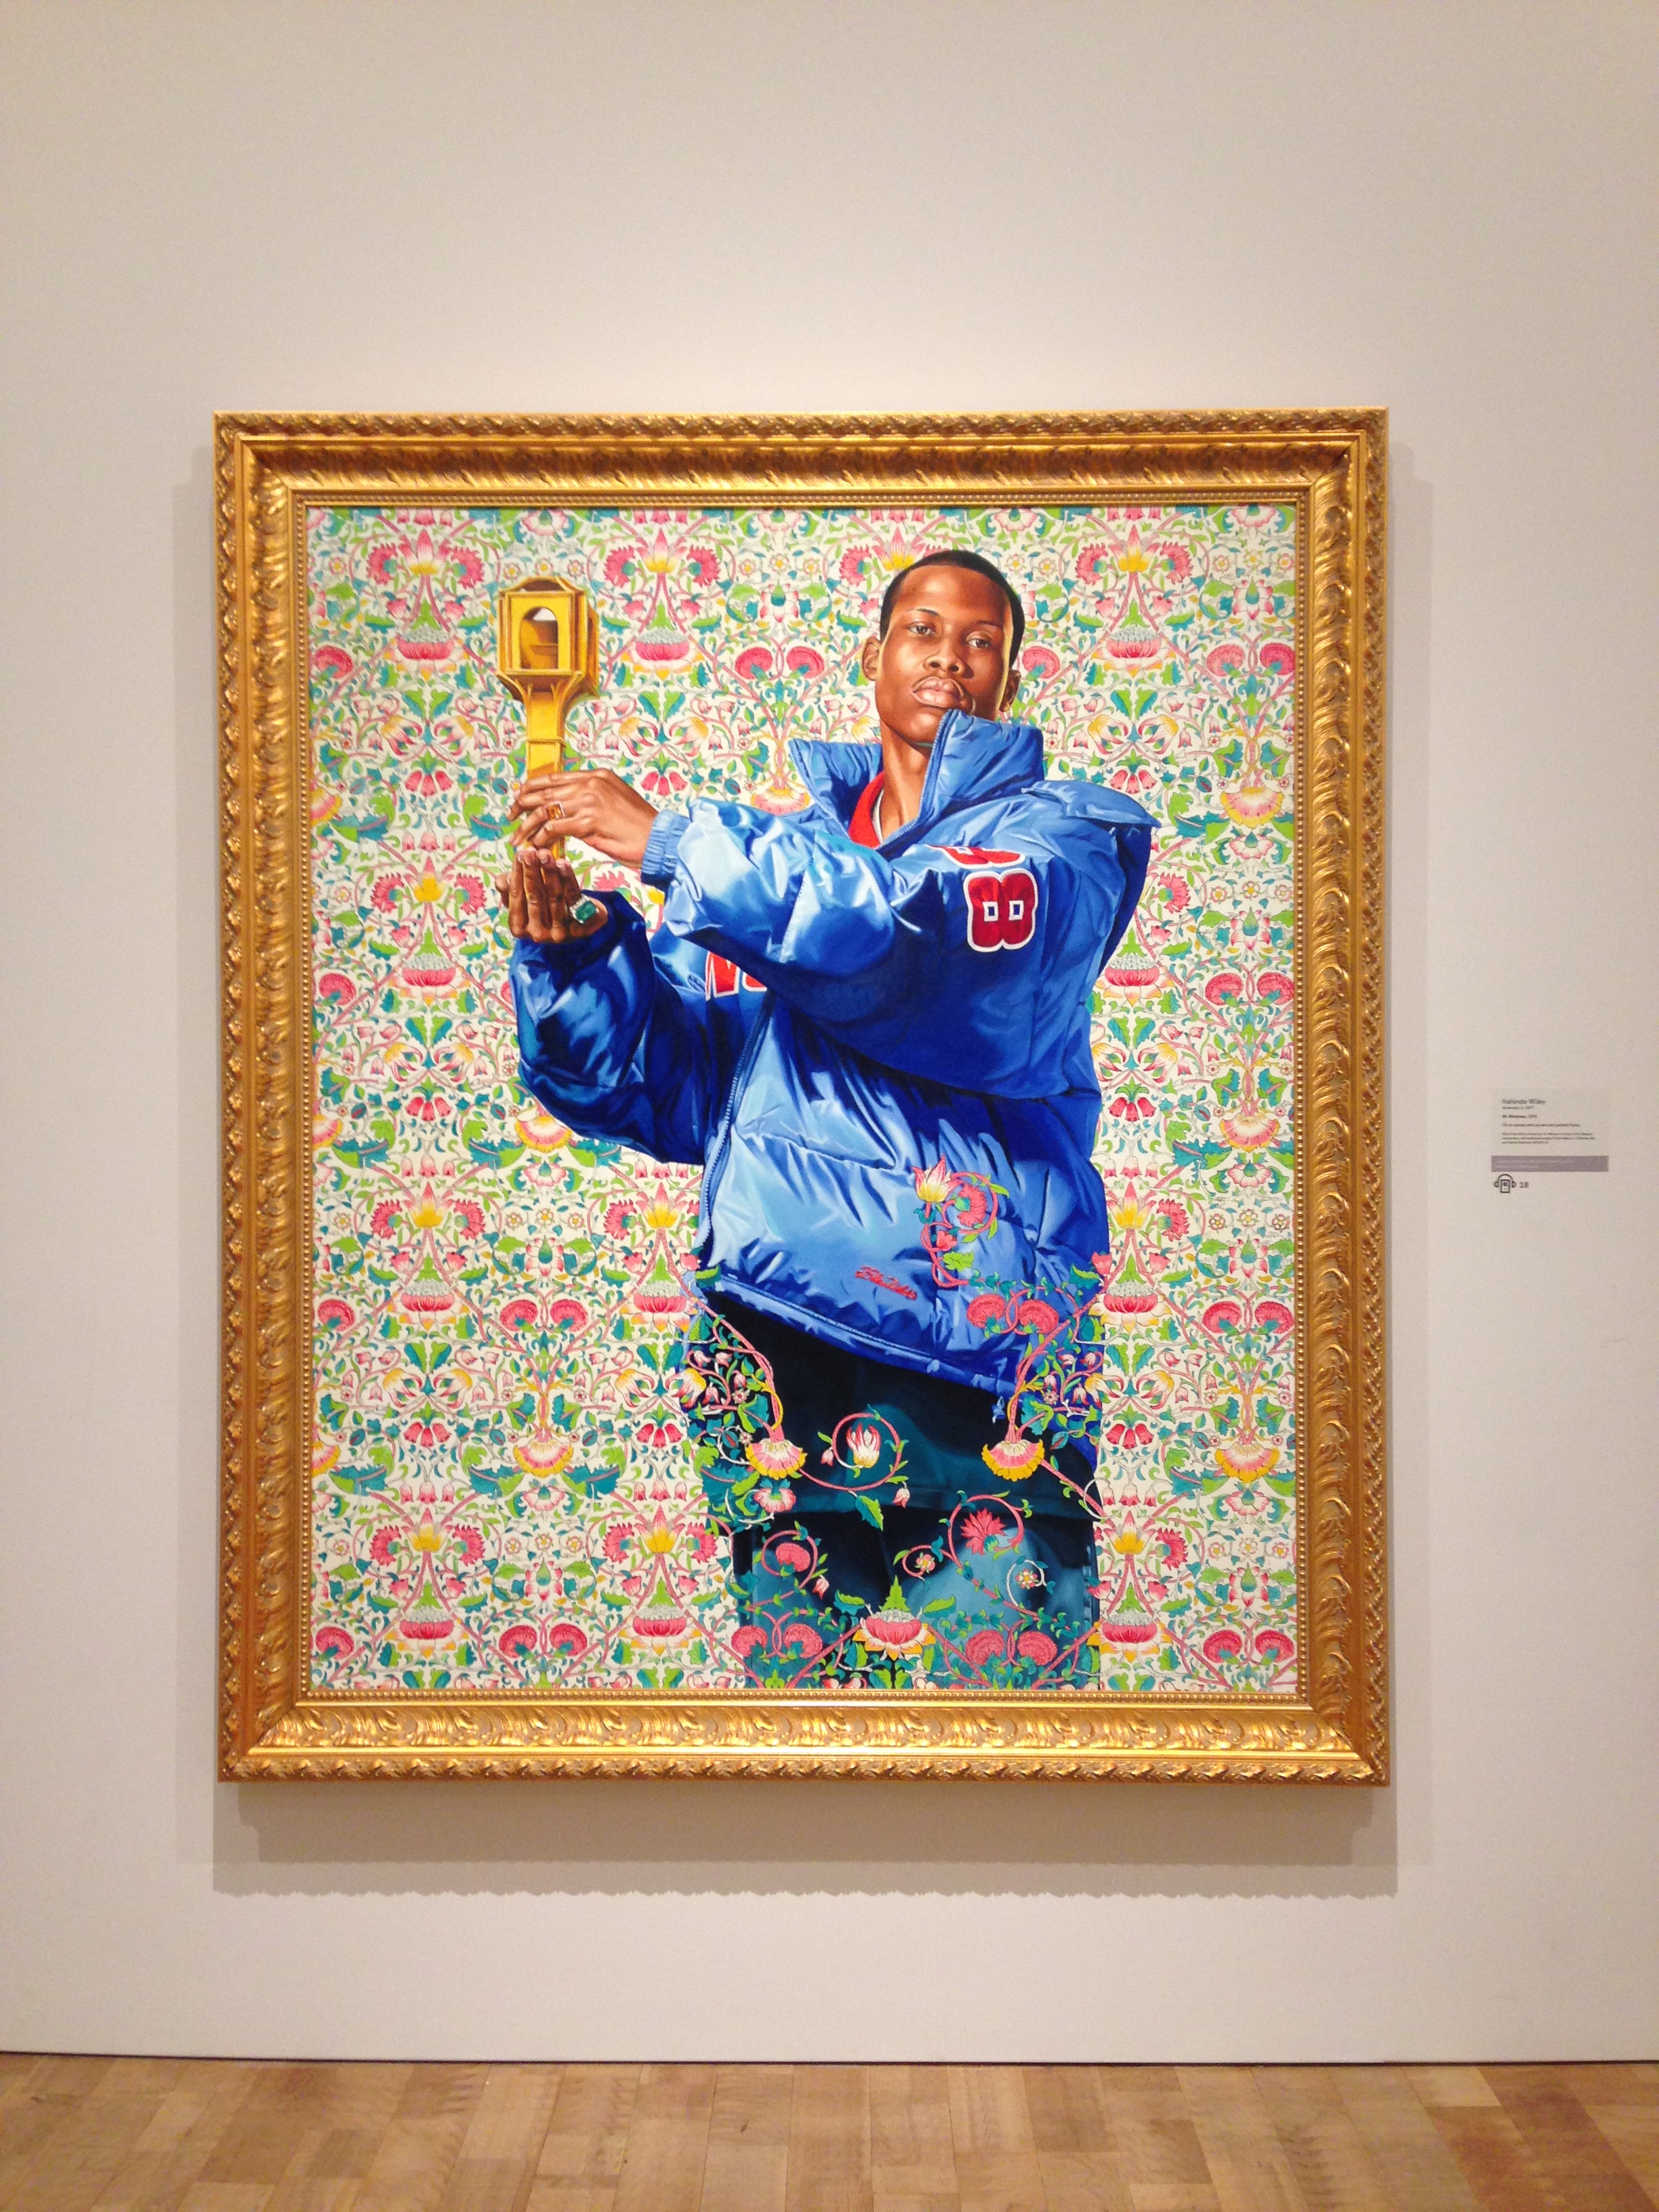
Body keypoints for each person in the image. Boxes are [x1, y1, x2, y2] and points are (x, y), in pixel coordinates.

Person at [500, 552, 1152, 1684]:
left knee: (1014, 1714)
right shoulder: (778, 865)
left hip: (976, 1352)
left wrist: (671, 843)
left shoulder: (1063, 842)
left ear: (1011, 677)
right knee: (801, 1725)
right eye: (923, 629)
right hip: (776, 1344)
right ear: (873, 656)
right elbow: (668, 1091)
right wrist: (577, 966)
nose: (950, 657)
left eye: (982, 639)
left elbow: (908, 942)